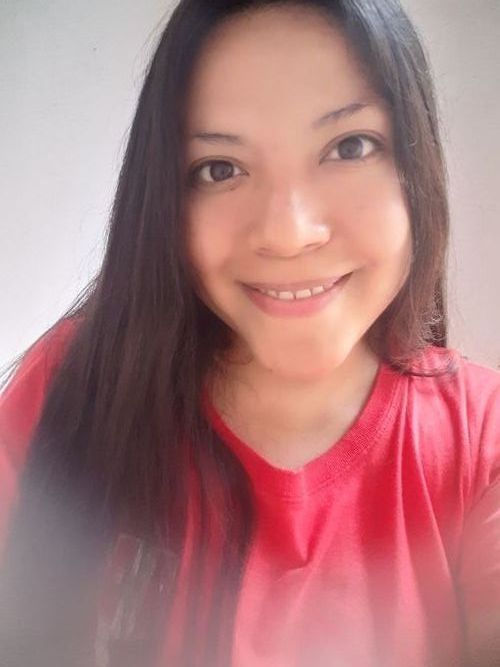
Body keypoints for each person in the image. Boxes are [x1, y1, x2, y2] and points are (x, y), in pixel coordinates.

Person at [0, 0, 499, 665]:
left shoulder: (480, 440)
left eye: (349, 147)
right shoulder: (76, 385)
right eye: (220, 168)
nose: (288, 233)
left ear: (417, 164)